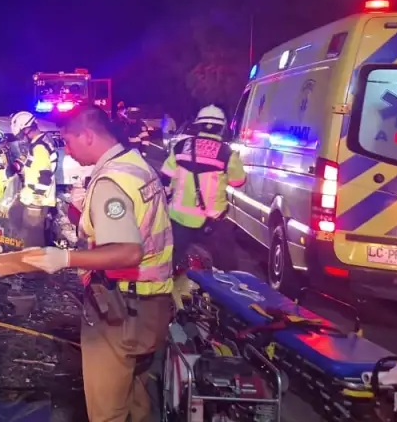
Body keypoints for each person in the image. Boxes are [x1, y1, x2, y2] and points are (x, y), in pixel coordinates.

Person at [24, 105, 174, 421]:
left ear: (88, 136)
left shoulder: (110, 183)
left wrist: (65, 257)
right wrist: (84, 216)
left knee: (108, 412)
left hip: (120, 310)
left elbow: (128, 251)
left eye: (68, 142)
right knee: (138, 399)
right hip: (153, 304)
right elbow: (137, 228)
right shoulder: (135, 165)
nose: (67, 151)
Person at [161, 105, 245, 282]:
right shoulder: (226, 152)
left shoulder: (181, 146)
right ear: (221, 128)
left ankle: (171, 300)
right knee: (226, 271)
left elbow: (166, 176)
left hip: (179, 219)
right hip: (211, 222)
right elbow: (238, 181)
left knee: (170, 266)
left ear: (198, 125)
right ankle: (223, 304)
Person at [9, 111, 57, 248]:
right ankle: (27, 252)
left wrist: (37, 201)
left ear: (26, 129)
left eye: (21, 134)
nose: (22, 138)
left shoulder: (40, 147)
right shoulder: (37, 144)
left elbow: (45, 175)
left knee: (33, 234)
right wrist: (18, 166)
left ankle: (35, 265)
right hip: (29, 194)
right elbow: (32, 165)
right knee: (14, 213)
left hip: (37, 197)